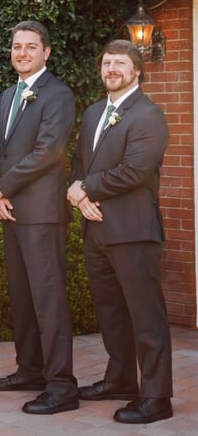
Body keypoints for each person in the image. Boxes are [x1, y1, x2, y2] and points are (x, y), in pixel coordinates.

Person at [67, 39, 172, 424]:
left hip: (133, 232)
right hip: (95, 230)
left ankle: (157, 397)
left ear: (136, 71)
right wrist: (79, 197)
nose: (111, 69)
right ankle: (121, 380)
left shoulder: (148, 114)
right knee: (111, 314)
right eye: (107, 63)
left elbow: (136, 170)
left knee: (146, 317)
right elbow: (81, 162)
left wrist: (87, 188)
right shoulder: (94, 112)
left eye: (120, 64)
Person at [0, 20, 79, 414]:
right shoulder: (9, 95)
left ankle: (62, 386)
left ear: (46, 52)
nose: (21, 53)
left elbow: (47, 152)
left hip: (41, 213)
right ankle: (30, 369)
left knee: (48, 299)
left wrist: (1, 187)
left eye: (30, 47)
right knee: (22, 296)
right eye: (16, 46)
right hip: (11, 212)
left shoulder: (57, 95)